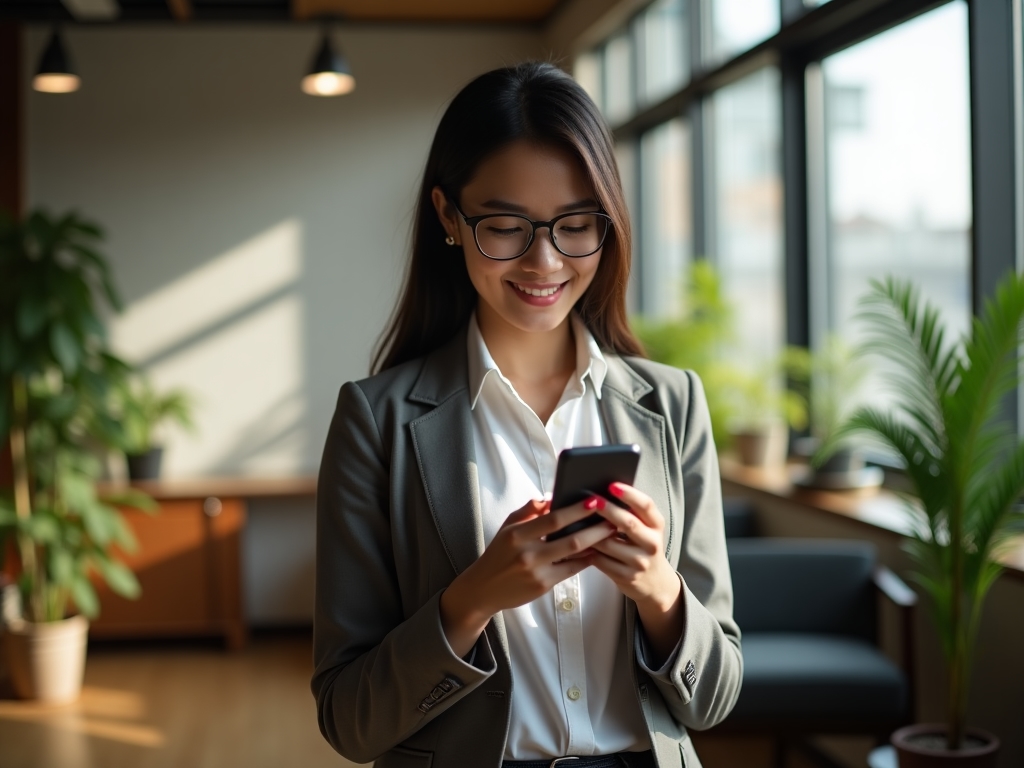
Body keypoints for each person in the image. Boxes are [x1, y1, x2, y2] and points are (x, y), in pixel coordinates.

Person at [312, 62, 742, 768]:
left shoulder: (671, 405)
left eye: (575, 225)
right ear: (449, 216)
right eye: (506, 225)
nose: (544, 261)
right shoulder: (376, 422)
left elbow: (714, 698)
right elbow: (349, 721)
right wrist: (471, 600)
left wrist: (660, 590)